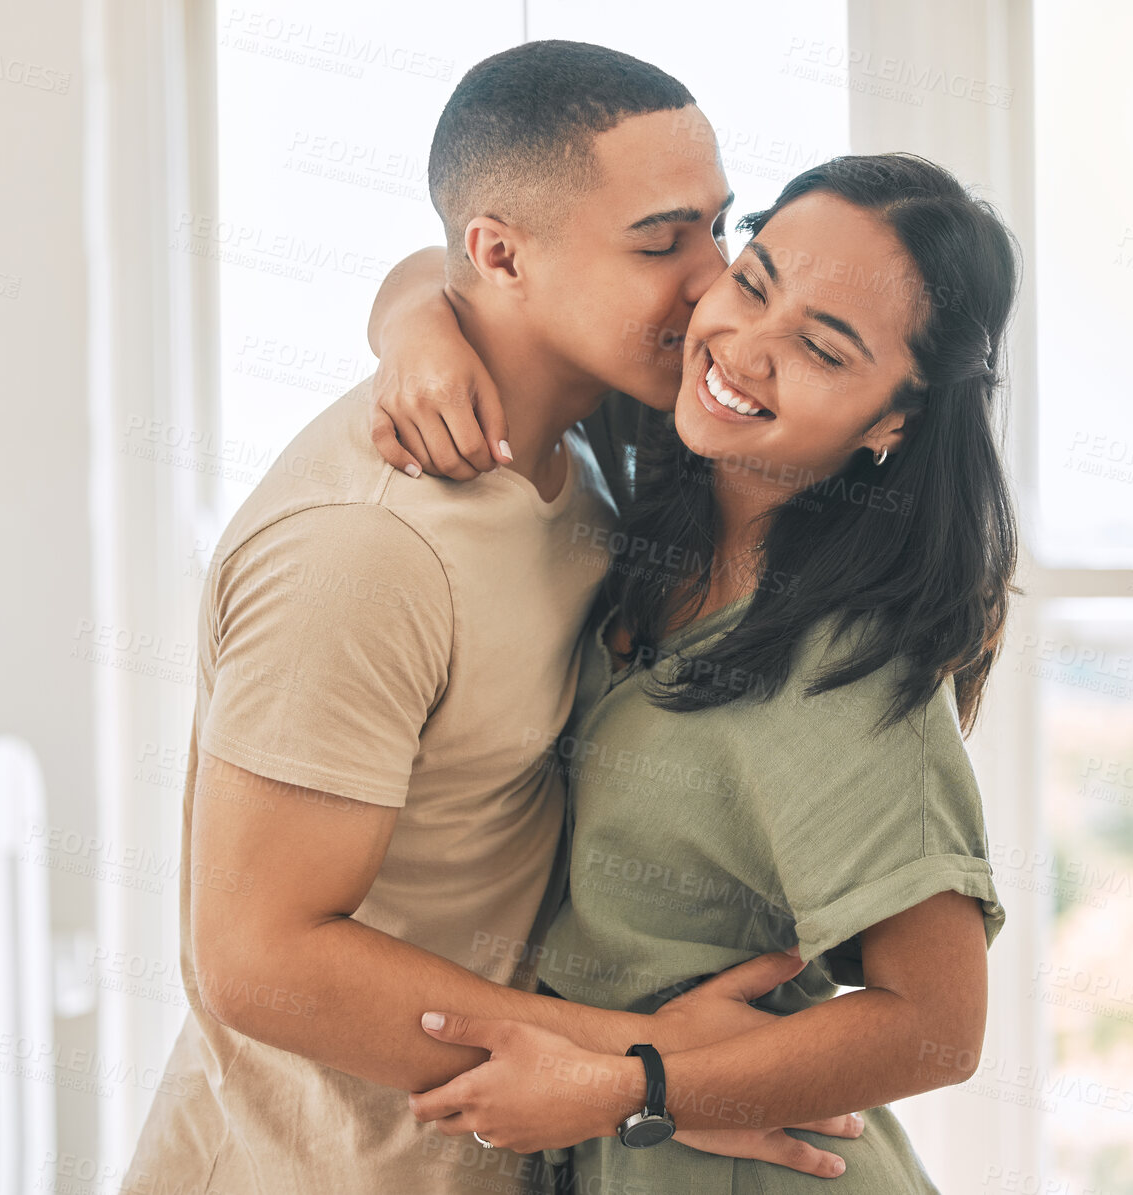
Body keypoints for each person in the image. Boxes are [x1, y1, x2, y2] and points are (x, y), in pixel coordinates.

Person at [122, 41, 866, 1195]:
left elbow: (436, 261)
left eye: (716, 229)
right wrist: (648, 1067)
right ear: (502, 255)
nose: (709, 279)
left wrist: (412, 309)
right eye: (659, 241)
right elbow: (255, 960)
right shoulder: (365, 547)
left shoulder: (592, 447)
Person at [367, 151, 1019, 1191]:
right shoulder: (676, 446)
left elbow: (940, 1028)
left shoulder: (842, 669)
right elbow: (464, 263)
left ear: (894, 418)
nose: (743, 350)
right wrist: (411, 332)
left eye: (819, 347)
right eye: (754, 281)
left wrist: (633, 1085)